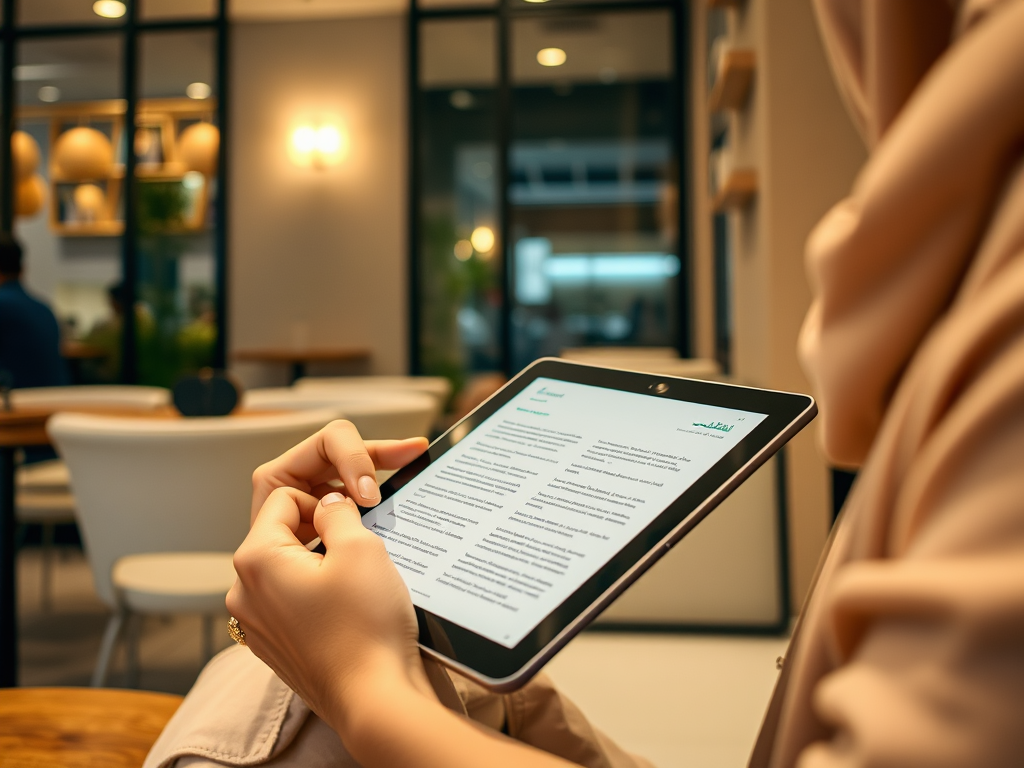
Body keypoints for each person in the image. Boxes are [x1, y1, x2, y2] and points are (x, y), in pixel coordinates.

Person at [146, 1, 1024, 765]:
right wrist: (391, 669)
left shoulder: (995, 328)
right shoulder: (952, 310)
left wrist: (361, 685)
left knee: (258, 701)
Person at [0, 234, 68, 392]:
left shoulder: (4, 305)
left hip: (19, 407)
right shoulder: (45, 309)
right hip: (52, 406)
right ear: (23, 269)